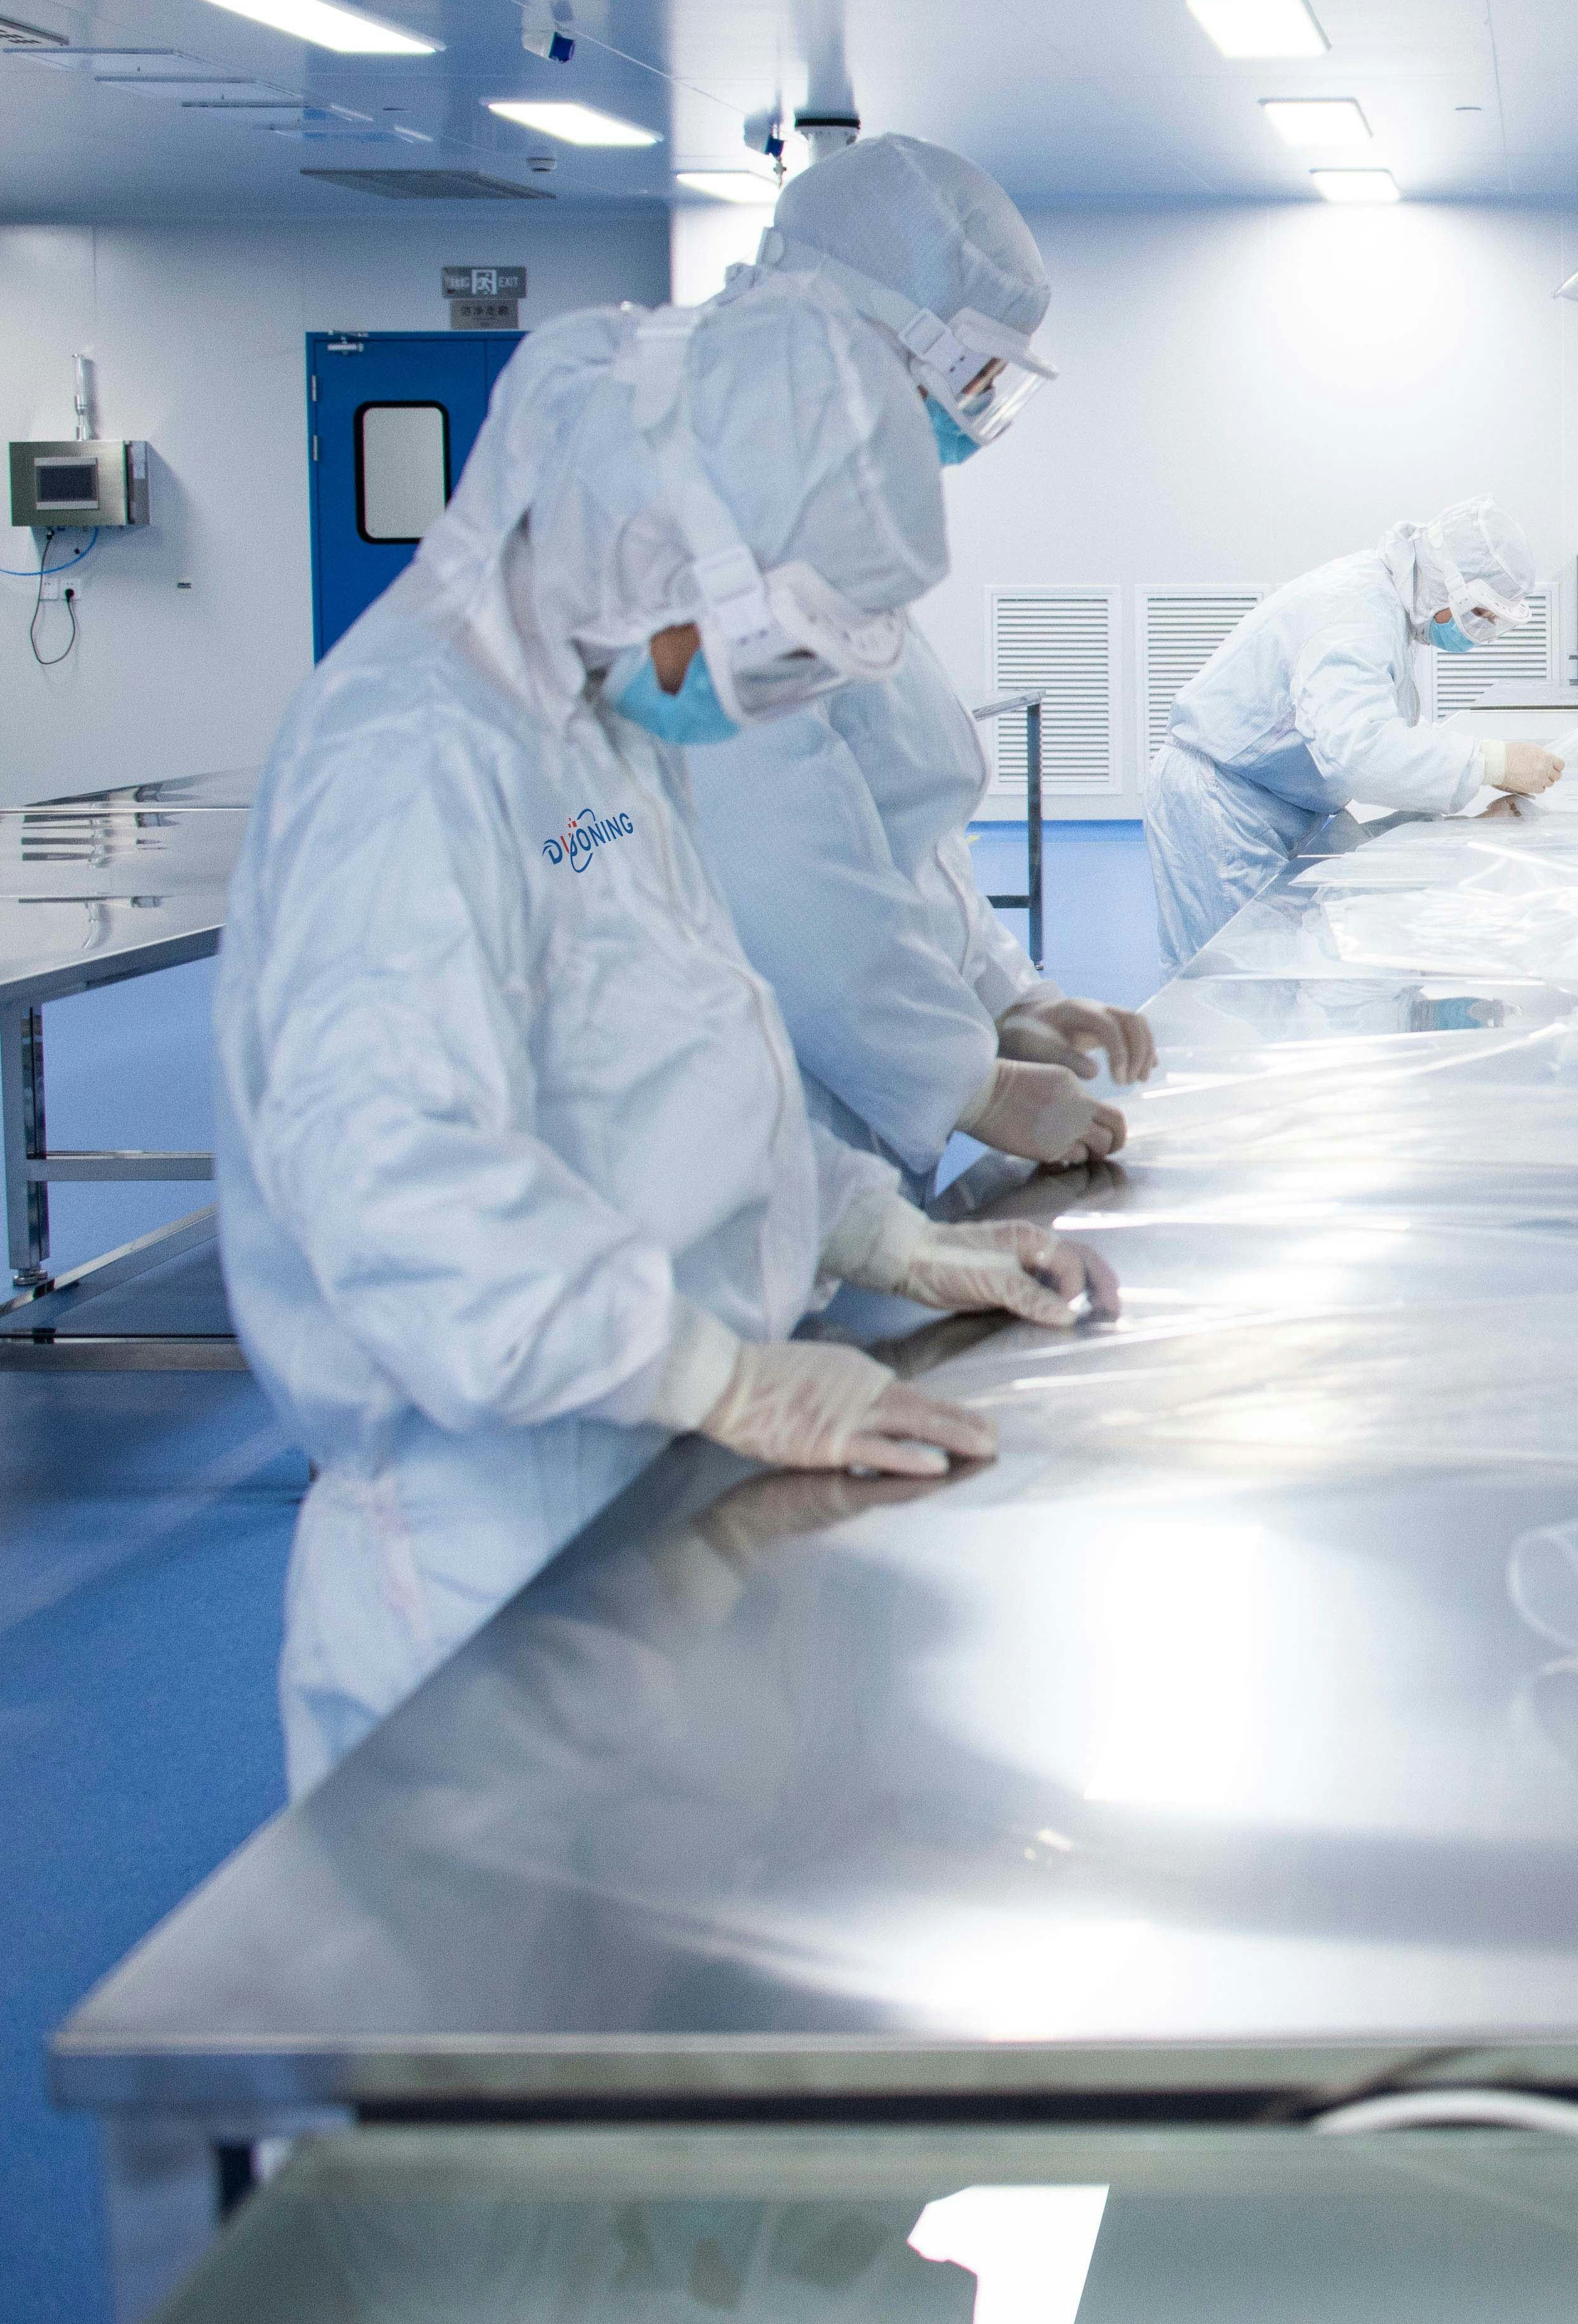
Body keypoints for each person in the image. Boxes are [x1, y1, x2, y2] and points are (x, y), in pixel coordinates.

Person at [218, 289, 1109, 1792]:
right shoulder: (413, 758)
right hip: (489, 1532)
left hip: (648, 1463)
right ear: (650, 548)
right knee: (522, 1924)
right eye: (765, 646)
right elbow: (394, 1185)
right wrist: (718, 1373)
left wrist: (882, 1232)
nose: (762, 697)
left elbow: (676, 1060)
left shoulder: (596, 730)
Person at [684, 134, 1157, 1187]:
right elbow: (779, 869)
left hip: (822, 1106)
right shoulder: (716, 514)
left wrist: (1006, 1001)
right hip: (722, 1124)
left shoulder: (814, 507)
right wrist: (967, 1080)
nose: (973, 417)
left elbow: (898, 832)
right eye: (970, 377)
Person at [1148, 499, 1565, 967]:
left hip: (1268, 797)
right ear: (1447, 583)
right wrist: (1491, 762)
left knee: (1275, 962)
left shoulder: (1382, 604)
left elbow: (1373, 733)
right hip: (1223, 804)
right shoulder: (1354, 615)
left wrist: (1465, 814)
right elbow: (1359, 752)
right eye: (1480, 614)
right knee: (1230, 979)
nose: (1478, 629)